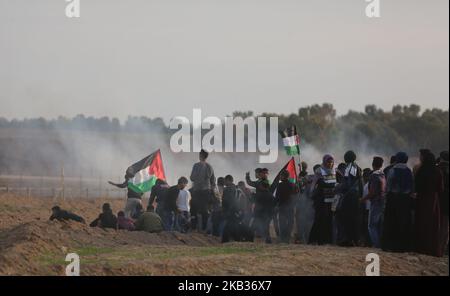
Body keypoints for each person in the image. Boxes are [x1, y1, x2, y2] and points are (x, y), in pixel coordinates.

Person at [382, 152, 414, 252]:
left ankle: (390, 245)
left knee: (391, 221)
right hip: (405, 200)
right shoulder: (409, 171)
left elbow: (388, 185)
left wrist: (387, 195)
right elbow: (412, 186)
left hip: (393, 199)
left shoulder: (392, 170)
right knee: (403, 222)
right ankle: (403, 246)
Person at [414, 150, 444, 257]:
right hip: (433, 201)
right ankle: (432, 249)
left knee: (421, 223)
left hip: (421, 200)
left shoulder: (421, 170)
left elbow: (416, 186)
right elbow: (440, 189)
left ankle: (420, 247)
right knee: (432, 225)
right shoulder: (437, 171)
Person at [336, 150, 363, 247]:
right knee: (354, 218)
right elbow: (360, 183)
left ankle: (346, 240)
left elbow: (347, 183)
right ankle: (354, 240)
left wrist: (337, 187)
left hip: (349, 196)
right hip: (355, 196)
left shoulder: (349, 167)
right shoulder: (358, 167)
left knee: (346, 218)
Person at [309, 155, 337, 245]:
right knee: (319, 220)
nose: (330, 164)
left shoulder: (334, 171)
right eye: (328, 162)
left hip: (331, 200)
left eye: (331, 162)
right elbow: (322, 183)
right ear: (324, 162)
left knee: (328, 220)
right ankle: (314, 240)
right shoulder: (319, 171)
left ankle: (326, 240)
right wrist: (336, 186)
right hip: (321, 199)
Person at [362, 157, 386, 248]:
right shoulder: (382, 174)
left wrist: (363, 199)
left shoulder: (373, 175)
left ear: (373, 164)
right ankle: (379, 244)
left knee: (371, 226)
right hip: (382, 202)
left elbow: (372, 192)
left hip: (375, 202)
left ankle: (376, 245)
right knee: (378, 225)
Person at [190, 149, 216, 232]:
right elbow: (213, 181)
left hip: (197, 190)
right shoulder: (210, 166)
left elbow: (192, 178)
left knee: (193, 209)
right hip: (206, 191)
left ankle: (194, 228)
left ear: (201, 156)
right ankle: (204, 228)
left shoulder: (196, 165)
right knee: (205, 210)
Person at [275, 170, 299, 243]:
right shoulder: (293, 185)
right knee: (290, 223)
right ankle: (287, 238)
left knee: (282, 223)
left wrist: (276, 205)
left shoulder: (280, 185)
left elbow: (277, 197)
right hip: (290, 207)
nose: (280, 177)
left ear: (284, 176)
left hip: (282, 206)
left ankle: (283, 238)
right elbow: (297, 196)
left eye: (281, 175)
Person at [359, 168, 372, 247]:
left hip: (367, 208)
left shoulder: (366, 186)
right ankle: (367, 242)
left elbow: (363, 198)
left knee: (366, 225)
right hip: (369, 208)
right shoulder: (368, 184)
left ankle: (367, 242)